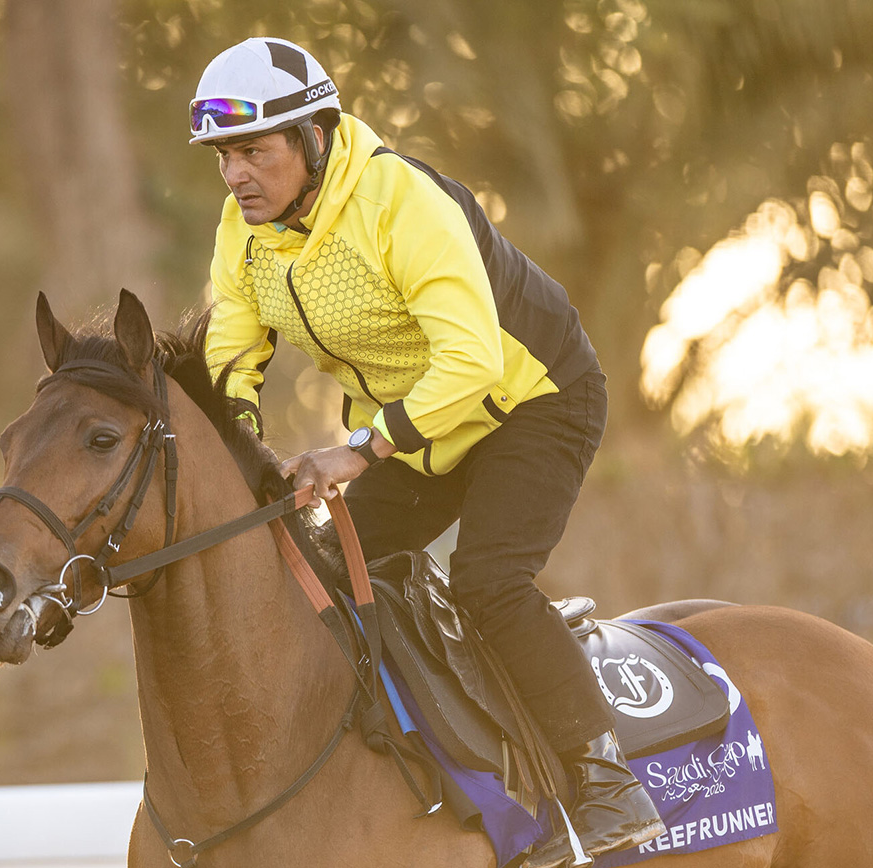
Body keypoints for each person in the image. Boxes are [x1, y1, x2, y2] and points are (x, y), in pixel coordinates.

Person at [193, 37, 665, 867]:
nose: (236, 176)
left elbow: (473, 361)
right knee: (323, 576)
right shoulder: (245, 231)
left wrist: (363, 450)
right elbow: (232, 347)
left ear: (312, 138)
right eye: (224, 157)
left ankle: (604, 781)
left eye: (253, 152)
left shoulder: (397, 199)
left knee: (490, 582)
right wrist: (236, 443)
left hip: (533, 400)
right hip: (420, 428)